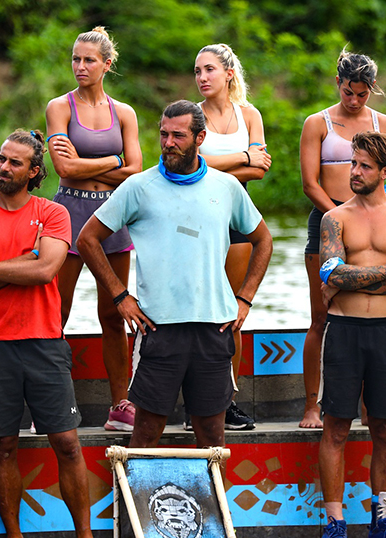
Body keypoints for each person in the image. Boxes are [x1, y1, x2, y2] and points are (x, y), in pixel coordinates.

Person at [77, 100, 273, 451]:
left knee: (212, 438)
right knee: (146, 433)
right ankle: (136, 490)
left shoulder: (226, 186)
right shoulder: (139, 186)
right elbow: (87, 239)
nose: (168, 143)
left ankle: (211, 492)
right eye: (164, 134)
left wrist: (244, 298)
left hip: (214, 327)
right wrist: (120, 296)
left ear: (200, 138)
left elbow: (263, 240)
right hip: (159, 328)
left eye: (178, 136)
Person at [0, 129, 93, 538]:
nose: (3, 167)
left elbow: (46, 270)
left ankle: (85, 535)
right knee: (3, 446)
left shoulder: (53, 213)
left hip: (44, 342)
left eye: (14, 162)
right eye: (1, 159)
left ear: (34, 172)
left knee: (67, 443)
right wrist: (25, 258)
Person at [317, 132, 386, 538]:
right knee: (335, 428)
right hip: (343, 331)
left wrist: (349, 278)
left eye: (364, 166)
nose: (354, 172)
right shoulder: (334, 218)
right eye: (352, 164)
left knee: (385, 428)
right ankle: (335, 522)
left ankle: (385, 517)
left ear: (385, 172)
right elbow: (330, 273)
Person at [300, 49, 386, 429]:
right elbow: (310, 183)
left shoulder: (385, 123)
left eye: (362, 94)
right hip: (327, 219)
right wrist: (340, 217)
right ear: (338, 83)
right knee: (322, 316)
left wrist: (373, 213)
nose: (354, 100)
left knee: (371, 305)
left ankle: (368, 406)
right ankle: (312, 406)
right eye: (348, 92)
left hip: (376, 224)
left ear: (372, 88)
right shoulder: (317, 123)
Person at [45, 27, 143, 432]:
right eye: (76, 58)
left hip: (112, 219)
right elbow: (63, 168)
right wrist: (112, 160)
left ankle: (120, 406)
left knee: (113, 314)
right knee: (56, 313)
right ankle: (49, 406)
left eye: (89, 60)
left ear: (107, 64)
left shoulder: (124, 113)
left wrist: (88, 163)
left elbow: (136, 171)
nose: (80, 66)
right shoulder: (59, 107)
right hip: (67, 215)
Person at [194, 43, 271, 431]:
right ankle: (197, 402)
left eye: (209, 69)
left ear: (228, 73)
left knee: (231, 312)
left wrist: (213, 166)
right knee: (198, 310)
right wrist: (242, 158)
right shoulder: (193, 116)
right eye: (197, 71)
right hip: (197, 220)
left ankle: (227, 401)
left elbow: (261, 170)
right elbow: (192, 165)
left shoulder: (249, 115)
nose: (202, 77)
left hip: (237, 218)